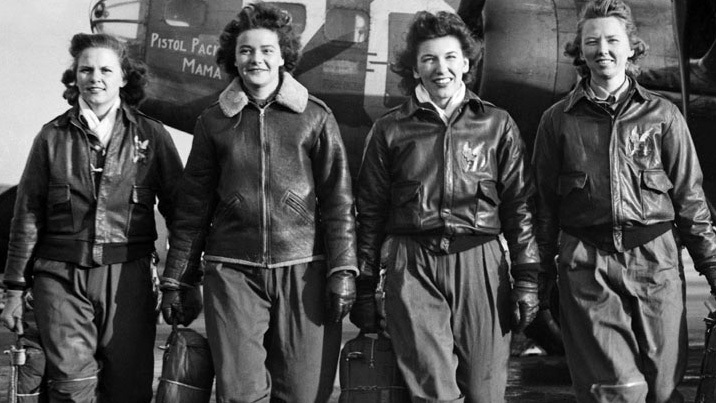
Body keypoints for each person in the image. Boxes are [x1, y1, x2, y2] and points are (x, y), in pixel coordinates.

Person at [160, 3, 358, 402]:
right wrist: (177, 279)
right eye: (246, 50)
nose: (257, 59)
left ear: (283, 56)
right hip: (232, 272)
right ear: (233, 58)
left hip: (304, 269)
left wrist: (344, 269)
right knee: (240, 394)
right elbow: (193, 210)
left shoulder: (316, 117)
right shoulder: (213, 121)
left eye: (267, 50)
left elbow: (339, 201)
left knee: (303, 394)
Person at [352, 10, 541, 403]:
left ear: (467, 63)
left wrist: (526, 278)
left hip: (481, 262)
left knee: (486, 392)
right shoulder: (389, 129)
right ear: (415, 69)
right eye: (429, 59)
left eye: (451, 57)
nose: (441, 69)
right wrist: (366, 286)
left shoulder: (497, 124)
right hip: (412, 264)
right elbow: (369, 214)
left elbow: (519, 207)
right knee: (433, 393)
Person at [532, 0, 716, 401]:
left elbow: (690, 199)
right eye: (592, 41)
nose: (603, 50)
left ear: (631, 47)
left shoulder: (664, 115)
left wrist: (714, 268)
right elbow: (543, 207)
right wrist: (536, 279)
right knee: (617, 389)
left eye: (613, 40)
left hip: (655, 261)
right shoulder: (556, 121)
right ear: (580, 51)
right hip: (587, 262)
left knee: (663, 388)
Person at [0, 33, 183, 402]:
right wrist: (14, 289)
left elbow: (180, 212)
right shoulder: (51, 137)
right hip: (59, 276)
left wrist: (178, 281)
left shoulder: (152, 135)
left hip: (129, 276)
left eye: (105, 70)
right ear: (75, 76)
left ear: (124, 77)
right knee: (71, 386)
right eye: (86, 70)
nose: (94, 77)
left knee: (128, 387)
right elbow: (27, 216)